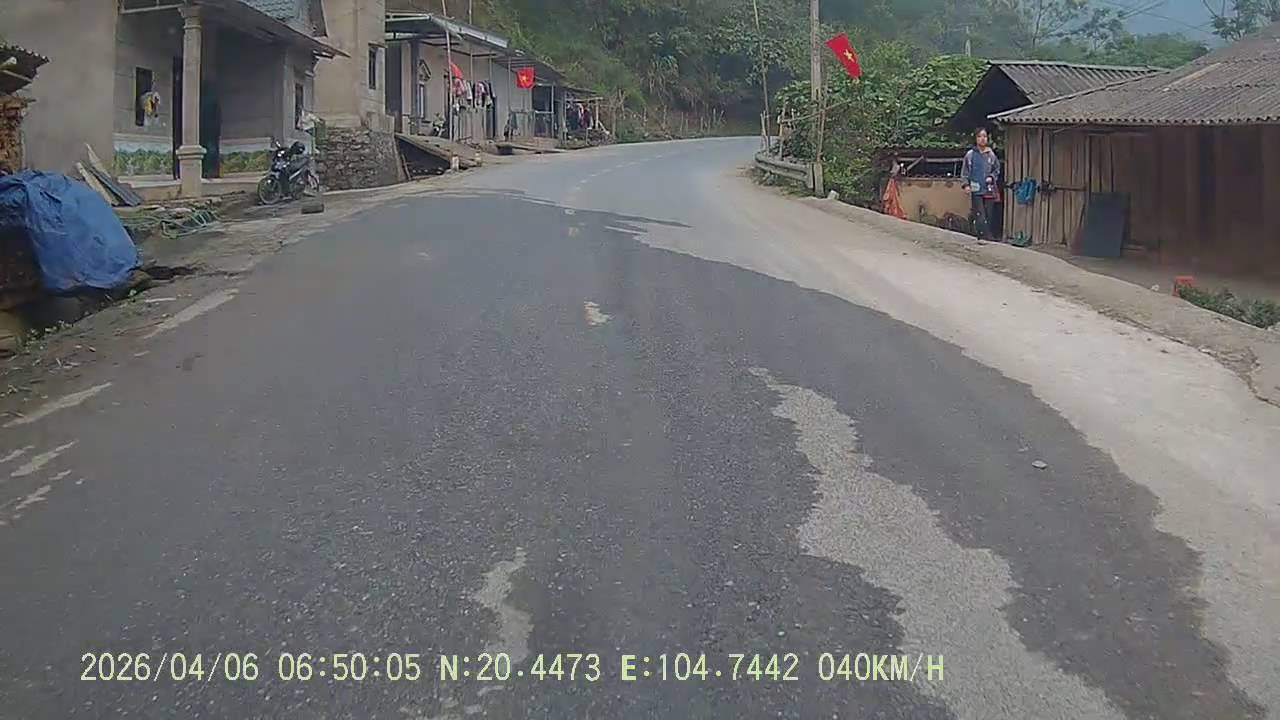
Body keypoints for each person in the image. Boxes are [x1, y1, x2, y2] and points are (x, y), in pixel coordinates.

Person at [961, 127, 1001, 240]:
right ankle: (983, 236)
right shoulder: (970, 155)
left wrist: (991, 177)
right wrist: (966, 185)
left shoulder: (991, 155)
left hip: (988, 189)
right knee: (980, 214)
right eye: (979, 136)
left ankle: (986, 235)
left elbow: (997, 169)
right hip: (976, 187)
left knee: (989, 214)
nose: (982, 139)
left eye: (984, 136)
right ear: (976, 139)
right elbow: (965, 171)